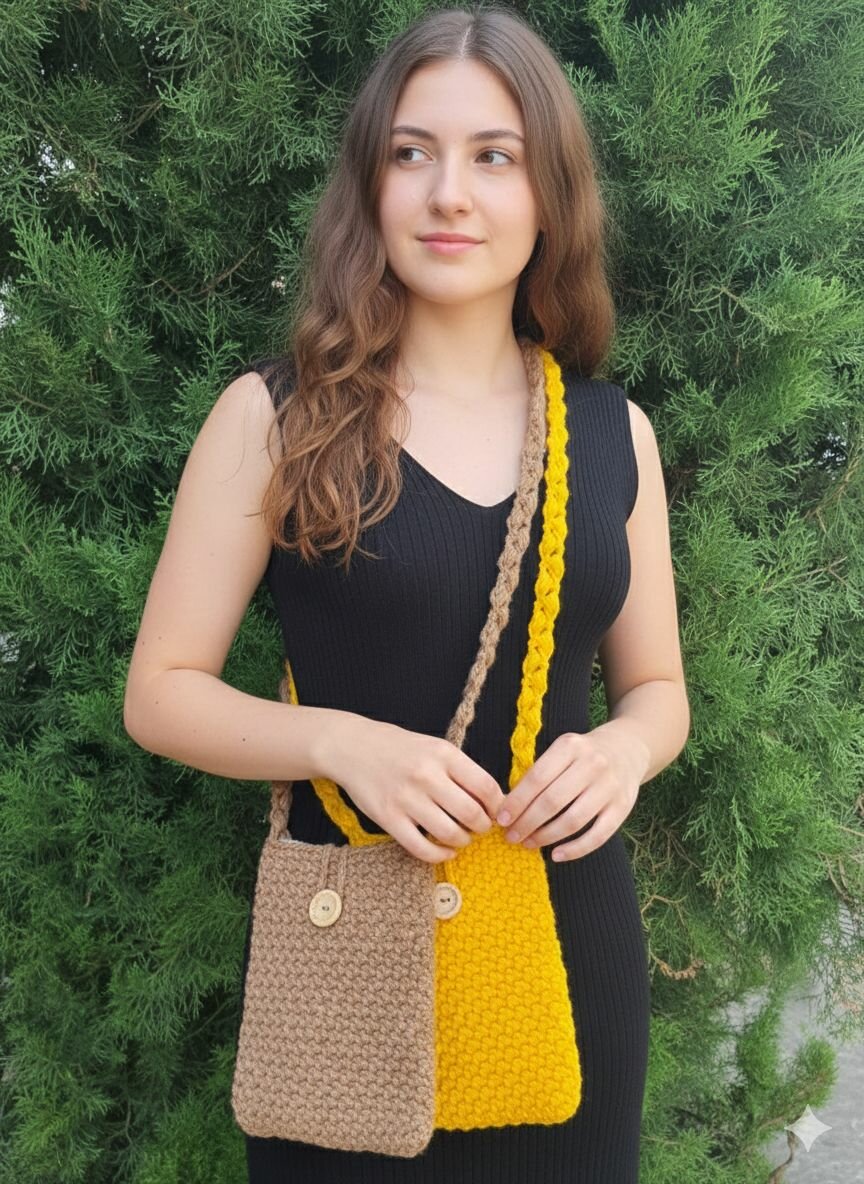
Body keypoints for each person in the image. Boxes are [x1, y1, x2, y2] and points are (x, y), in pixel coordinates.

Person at [123, 5, 690, 1181]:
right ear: (369, 184)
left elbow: (659, 688)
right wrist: (342, 744)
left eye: (495, 156)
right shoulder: (272, 418)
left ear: (550, 195)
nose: (450, 194)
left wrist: (624, 751)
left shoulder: (613, 433)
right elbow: (160, 692)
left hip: (569, 954)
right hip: (347, 966)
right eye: (412, 152)